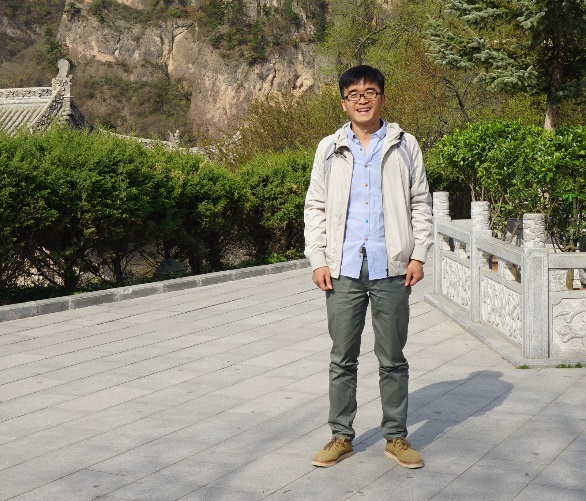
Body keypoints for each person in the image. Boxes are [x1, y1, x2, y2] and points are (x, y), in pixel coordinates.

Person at [304, 65, 432, 469]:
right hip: (342, 268)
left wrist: (419, 254)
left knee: (392, 357)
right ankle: (341, 436)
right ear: (344, 102)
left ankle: (396, 436)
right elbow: (315, 206)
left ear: (382, 98)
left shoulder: (404, 144)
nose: (362, 99)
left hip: (391, 266)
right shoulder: (329, 148)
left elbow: (420, 202)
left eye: (370, 92)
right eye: (354, 94)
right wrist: (318, 259)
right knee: (342, 357)